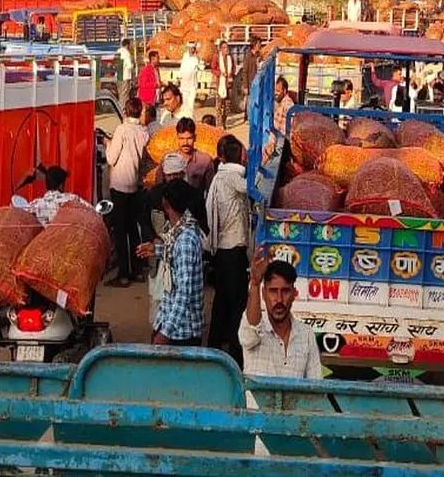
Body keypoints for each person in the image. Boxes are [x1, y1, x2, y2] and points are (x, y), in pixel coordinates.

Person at [137, 179, 204, 346]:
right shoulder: (179, 230)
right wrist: (156, 250)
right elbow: (176, 255)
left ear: (165, 204)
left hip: (182, 332)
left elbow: (183, 293)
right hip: (169, 319)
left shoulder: (185, 240)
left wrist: (166, 333)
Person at [238, 249, 323, 380]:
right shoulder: (253, 326)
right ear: (264, 293)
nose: (279, 299)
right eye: (273, 291)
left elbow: (316, 387)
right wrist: (254, 284)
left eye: (285, 291)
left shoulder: (306, 335)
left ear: (294, 294)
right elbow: (252, 326)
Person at [204, 135, 251, 361]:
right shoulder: (232, 177)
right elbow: (253, 188)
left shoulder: (219, 177)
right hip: (232, 250)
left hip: (222, 250)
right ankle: (235, 354)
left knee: (222, 301)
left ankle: (214, 347)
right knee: (236, 304)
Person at [105, 98, 149, 288]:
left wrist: (107, 143)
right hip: (135, 184)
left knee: (120, 230)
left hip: (120, 184)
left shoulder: (122, 130)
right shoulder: (143, 132)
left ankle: (123, 273)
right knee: (133, 228)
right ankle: (137, 270)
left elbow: (111, 158)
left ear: (125, 111)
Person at [156, 117, 216, 193]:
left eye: (189, 138)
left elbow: (211, 191)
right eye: (182, 138)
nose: (185, 143)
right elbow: (158, 188)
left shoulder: (205, 161)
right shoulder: (167, 159)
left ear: (195, 138)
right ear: (177, 137)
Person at [21, 166, 88, 226]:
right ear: (61, 185)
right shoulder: (73, 200)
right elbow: (92, 214)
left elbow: (19, 217)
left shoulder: (34, 205)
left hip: (43, 239)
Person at [212, 40, 236, 129]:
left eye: (227, 47)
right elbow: (213, 69)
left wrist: (231, 75)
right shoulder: (216, 57)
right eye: (225, 48)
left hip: (228, 84)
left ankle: (224, 122)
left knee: (227, 106)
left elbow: (233, 67)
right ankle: (219, 124)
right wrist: (220, 73)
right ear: (221, 49)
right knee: (219, 105)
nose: (227, 49)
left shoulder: (230, 57)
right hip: (220, 84)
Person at [178, 43, 201, 118]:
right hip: (184, 84)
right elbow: (182, 68)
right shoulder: (185, 56)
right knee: (184, 102)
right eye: (191, 48)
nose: (192, 50)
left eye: (193, 48)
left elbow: (200, 66)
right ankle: (184, 117)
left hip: (192, 84)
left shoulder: (196, 58)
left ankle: (190, 118)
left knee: (191, 102)